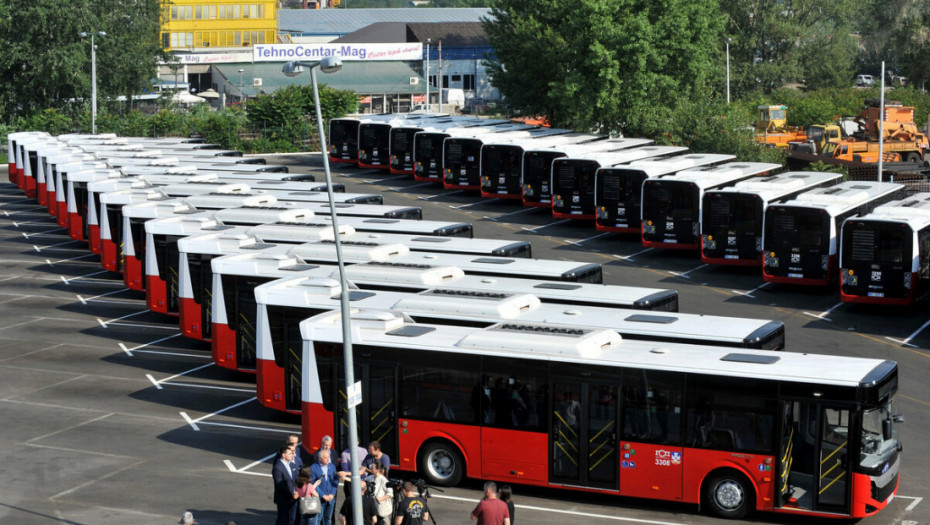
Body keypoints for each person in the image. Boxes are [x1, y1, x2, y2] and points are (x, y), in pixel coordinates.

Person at [310, 449, 340, 525]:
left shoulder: (332, 466)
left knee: (328, 518)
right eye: (326, 458)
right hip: (319, 498)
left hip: (330, 498)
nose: (328, 459)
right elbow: (313, 484)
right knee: (318, 519)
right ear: (320, 459)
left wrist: (332, 494)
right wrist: (323, 495)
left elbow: (335, 480)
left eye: (328, 457)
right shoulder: (313, 467)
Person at [273, 446, 300, 525]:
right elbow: (279, 484)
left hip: (294, 498)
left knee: (292, 519)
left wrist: (298, 492)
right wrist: (292, 493)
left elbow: (297, 479)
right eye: (289, 454)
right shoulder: (277, 467)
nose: (292, 455)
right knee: (282, 520)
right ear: (283, 455)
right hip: (283, 499)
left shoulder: (292, 465)